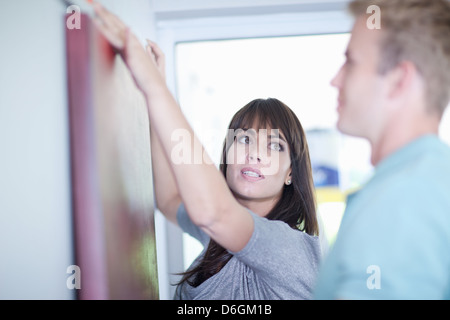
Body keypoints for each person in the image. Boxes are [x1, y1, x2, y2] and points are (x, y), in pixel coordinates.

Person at [91, 2, 321, 299]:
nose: (255, 154)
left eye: (274, 145)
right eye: (244, 139)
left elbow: (213, 212)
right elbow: (169, 198)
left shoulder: (291, 249)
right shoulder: (218, 237)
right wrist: (153, 97)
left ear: (291, 172)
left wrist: (152, 84)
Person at [314, 0, 450, 299]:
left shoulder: (405, 197)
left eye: (351, 61)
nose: (335, 80)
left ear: (398, 81)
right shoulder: (431, 180)